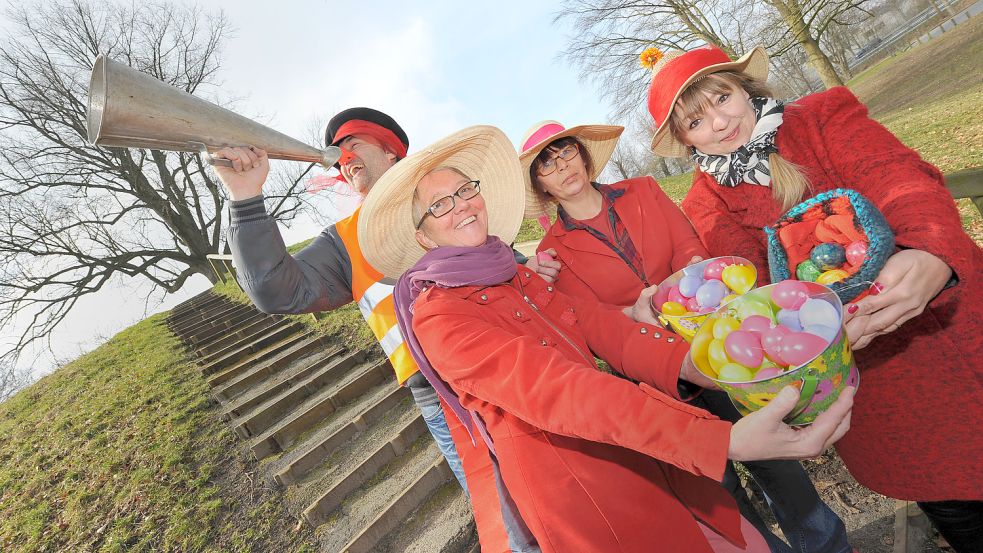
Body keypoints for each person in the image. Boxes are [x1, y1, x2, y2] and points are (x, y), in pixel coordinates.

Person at [356, 124, 856, 552]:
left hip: (632, 442)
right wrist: (718, 439)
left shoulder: (516, 275)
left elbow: (602, 327)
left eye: (466, 191)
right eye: (440, 205)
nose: (461, 207)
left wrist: (705, 362)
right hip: (580, 489)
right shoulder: (438, 316)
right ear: (423, 237)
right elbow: (560, 389)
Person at [645, 44, 983, 551]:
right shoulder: (705, 204)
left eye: (722, 96)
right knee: (961, 505)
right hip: (885, 391)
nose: (719, 122)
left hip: (954, 327)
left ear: (745, 88)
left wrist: (930, 248)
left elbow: (900, 180)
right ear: (683, 138)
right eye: (695, 121)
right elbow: (764, 302)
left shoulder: (821, 118)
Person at [213, 108, 542, 552]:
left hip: (509, 362)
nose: (342, 155)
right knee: (508, 523)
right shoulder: (343, 241)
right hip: (436, 392)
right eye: (337, 153)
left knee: (558, 485)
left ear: (391, 154)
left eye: (353, 143)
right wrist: (246, 196)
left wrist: (532, 270)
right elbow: (275, 291)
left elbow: (495, 256)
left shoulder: (442, 201)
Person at [519, 120, 852, 553]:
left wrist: (690, 283)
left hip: (719, 346)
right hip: (654, 376)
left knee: (774, 455)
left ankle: (829, 545)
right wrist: (640, 313)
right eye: (547, 164)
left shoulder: (643, 190)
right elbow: (592, 320)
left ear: (582, 154)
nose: (562, 166)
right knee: (716, 485)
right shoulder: (554, 252)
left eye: (565, 152)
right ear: (540, 185)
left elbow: (686, 242)